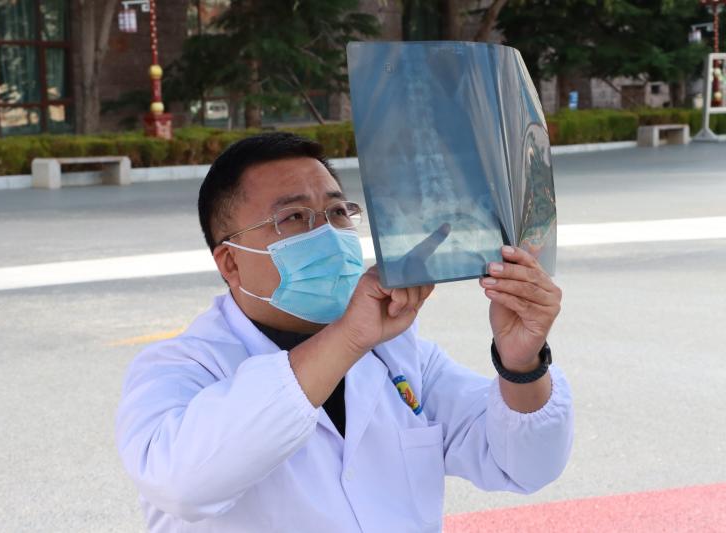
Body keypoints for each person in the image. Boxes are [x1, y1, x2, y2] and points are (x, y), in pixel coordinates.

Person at [116, 132, 573, 533]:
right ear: (230, 262)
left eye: (337, 212)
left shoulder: (396, 353)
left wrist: (521, 364)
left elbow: (523, 463)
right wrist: (347, 339)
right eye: (293, 217)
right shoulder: (180, 369)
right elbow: (180, 483)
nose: (329, 234)